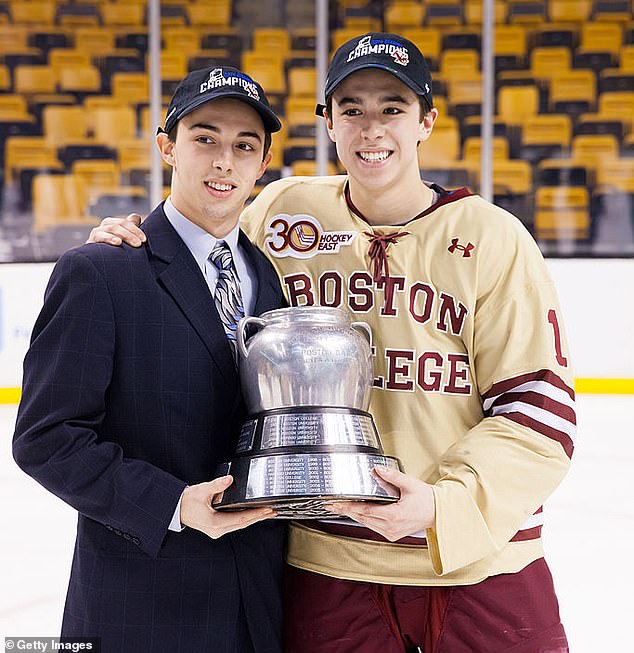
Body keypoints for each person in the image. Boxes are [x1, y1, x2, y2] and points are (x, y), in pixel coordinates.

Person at [88, 34, 574, 653]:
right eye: (351, 109)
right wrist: (129, 234)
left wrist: (440, 506)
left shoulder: (492, 236)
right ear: (328, 124)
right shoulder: (287, 212)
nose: (371, 129)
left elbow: (540, 407)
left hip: (478, 561)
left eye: (392, 108)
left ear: (427, 121)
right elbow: (197, 250)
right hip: (326, 564)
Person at [13, 66, 288, 653]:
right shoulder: (100, 272)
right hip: (141, 609)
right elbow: (46, 438)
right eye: (204, 138)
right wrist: (174, 505)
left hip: (260, 605)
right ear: (167, 147)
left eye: (245, 146)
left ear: (263, 164)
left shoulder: (270, 278)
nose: (224, 161)